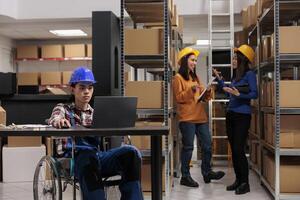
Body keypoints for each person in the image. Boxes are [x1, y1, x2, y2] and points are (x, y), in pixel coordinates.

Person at [48, 67, 143, 200]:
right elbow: (55, 118)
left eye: (90, 87)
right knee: (87, 156)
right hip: (73, 159)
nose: (86, 92)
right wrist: (59, 121)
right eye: (82, 87)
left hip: (96, 158)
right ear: (73, 88)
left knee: (131, 153)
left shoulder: (97, 114)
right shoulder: (63, 109)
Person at [173, 47, 225, 188]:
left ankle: (207, 172)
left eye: (195, 60)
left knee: (207, 145)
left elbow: (203, 98)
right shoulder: (178, 78)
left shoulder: (195, 77)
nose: (194, 63)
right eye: (192, 60)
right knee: (188, 147)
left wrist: (207, 92)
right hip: (187, 118)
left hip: (200, 117)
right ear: (185, 61)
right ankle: (185, 176)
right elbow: (178, 98)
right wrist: (191, 90)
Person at [213, 44, 258, 195]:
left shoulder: (249, 74)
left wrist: (240, 95)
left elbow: (254, 93)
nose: (232, 60)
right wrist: (220, 81)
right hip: (231, 114)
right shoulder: (236, 76)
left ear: (242, 59)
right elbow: (230, 93)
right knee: (234, 150)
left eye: (234, 58)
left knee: (239, 149)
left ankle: (245, 183)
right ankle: (238, 180)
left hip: (242, 116)